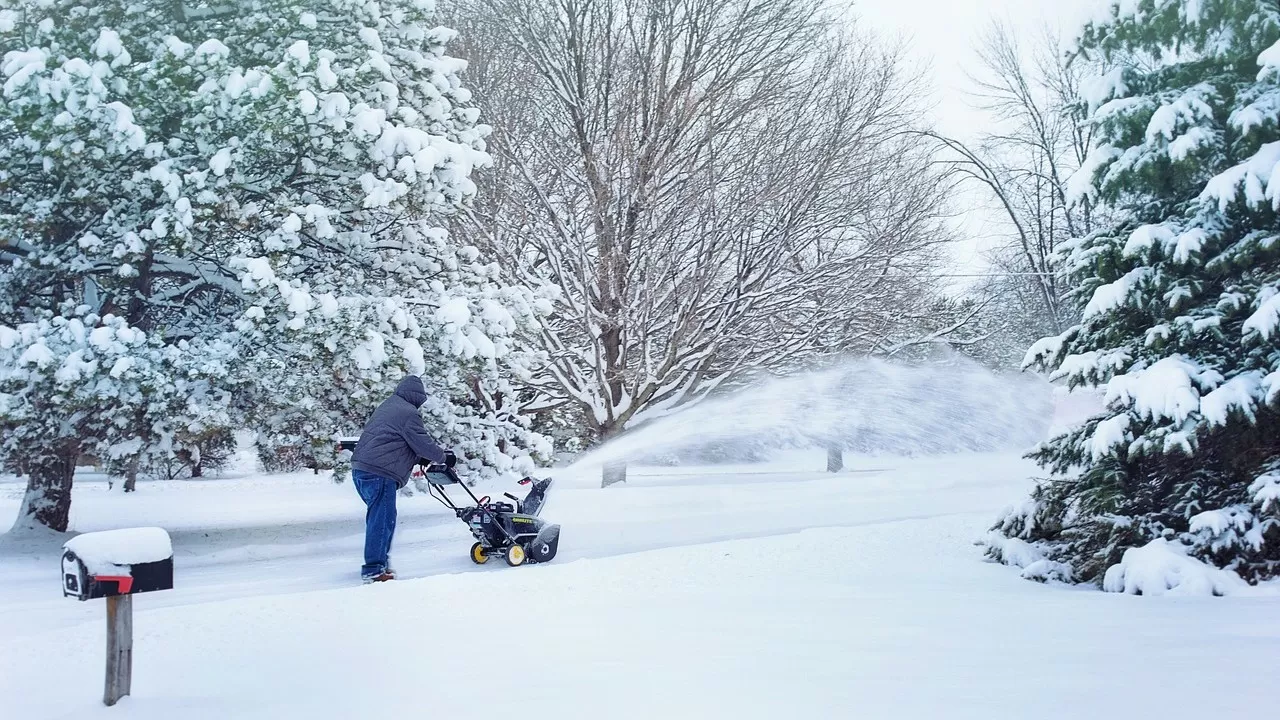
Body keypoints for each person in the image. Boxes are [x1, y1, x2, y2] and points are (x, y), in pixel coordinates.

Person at [351, 375, 455, 583]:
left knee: (380, 519)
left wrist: (418, 457)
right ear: (417, 397)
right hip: (379, 472)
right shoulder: (408, 413)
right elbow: (422, 442)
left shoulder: (389, 407)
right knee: (382, 521)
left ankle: (379, 563)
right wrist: (444, 457)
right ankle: (374, 569)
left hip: (362, 469)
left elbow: (393, 441)